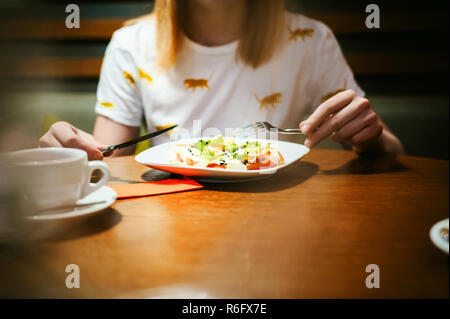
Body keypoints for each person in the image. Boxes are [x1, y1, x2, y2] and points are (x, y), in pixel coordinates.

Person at [40, 0, 404, 160]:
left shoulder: (312, 40)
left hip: (284, 222)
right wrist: (72, 156)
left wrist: (372, 139)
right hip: (170, 225)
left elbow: (392, 151)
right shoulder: (130, 44)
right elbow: (106, 160)